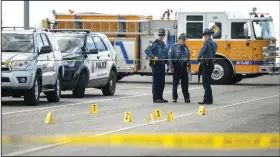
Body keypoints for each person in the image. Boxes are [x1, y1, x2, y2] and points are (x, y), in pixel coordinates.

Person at [145, 28, 169, 103]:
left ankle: (160, 97)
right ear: (158, 35)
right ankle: (155, 98)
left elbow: (166, 55)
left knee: (162, 82)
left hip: (162, 65)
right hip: (156, 65)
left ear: (164, 36)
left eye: (162, 35)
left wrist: (168, 65)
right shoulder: (154, 43)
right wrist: (153, 57)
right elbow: (147, 50)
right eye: (160, 35)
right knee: (156, 81)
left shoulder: (164, 45)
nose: (161, 36)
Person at [168, 33, 191, 103]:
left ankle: (186, 97)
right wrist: (171, 66)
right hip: (176, 67)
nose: (184, 41)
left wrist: (189, 66)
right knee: (175, 83)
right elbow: (170, 57)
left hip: (184, 67)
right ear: (179, 40)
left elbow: (188, 57)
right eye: (183, 40)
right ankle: (174, 97)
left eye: (185, 40)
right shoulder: (173, 47)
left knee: (185, 83)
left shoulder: (186, 47)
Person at [197, 28, 217, 105]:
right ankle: (209, 99)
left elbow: (201, 52)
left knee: (205, 83)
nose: (204, 37)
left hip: (206, 64)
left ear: (206, 35)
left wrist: (198, 58)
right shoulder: (214, 43)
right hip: (211, 64)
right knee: (208, 82)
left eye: (204, 35)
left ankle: (206, 100)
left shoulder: (206, 43)